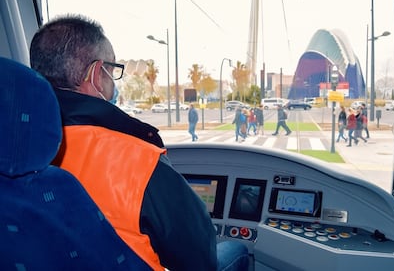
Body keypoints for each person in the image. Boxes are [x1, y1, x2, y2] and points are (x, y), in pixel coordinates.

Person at [30, 14, 248, 271]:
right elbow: (200, 259)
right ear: (97, 74)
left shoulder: (16, 151)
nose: (113, 82)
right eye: (113, 71)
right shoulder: (138, 161)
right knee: (236, 250)